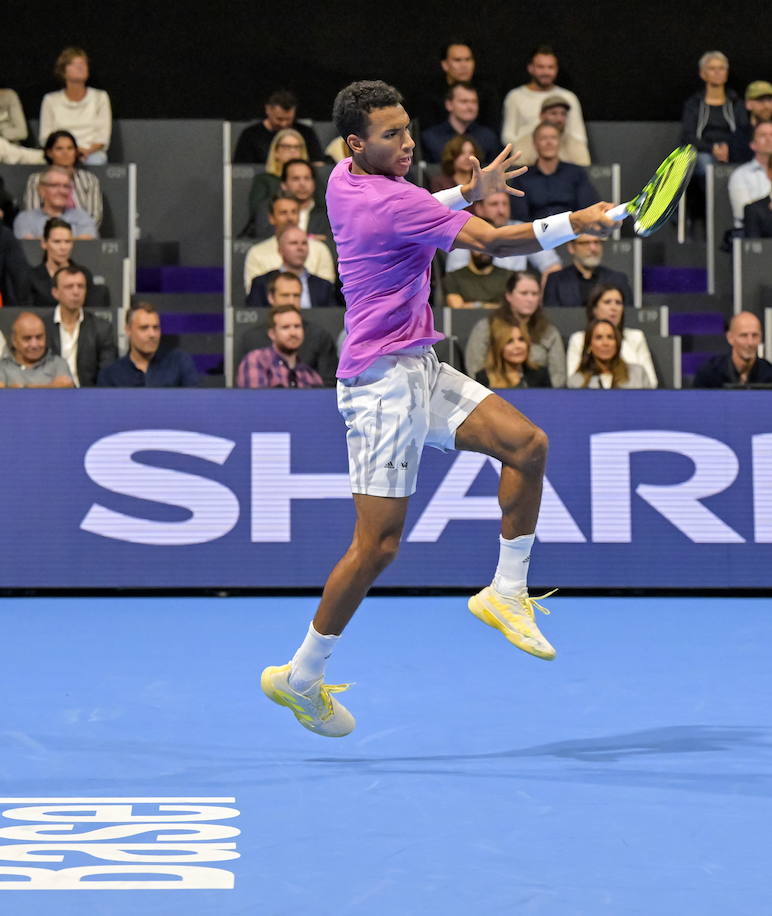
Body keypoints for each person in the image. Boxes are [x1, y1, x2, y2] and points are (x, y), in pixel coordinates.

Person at [260, 80, 618, 738]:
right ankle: (301, 676)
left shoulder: (342, 179)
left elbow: (423, 207)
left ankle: (506, 592)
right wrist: (580, 222)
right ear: (357, 142)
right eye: (390, 136)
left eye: (406, 130)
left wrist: (466, 191)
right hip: (380, 388)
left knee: (527, 445)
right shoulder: (394, 203)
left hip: (418, 367)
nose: (404, 145)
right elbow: (500, 244)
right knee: (378, 547)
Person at [465, 270, 565, 386]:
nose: (530, 299)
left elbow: (558, 376)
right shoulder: (486, 327)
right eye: (524, 293)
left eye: (535, 294)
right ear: (509, 295)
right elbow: (474, 369)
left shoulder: (549, 331)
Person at [500, 45, 589, 160]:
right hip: (527, 154)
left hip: (563, 154)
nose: (546, 72)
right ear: (530, 68)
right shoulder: (515, 97)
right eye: (541, 67)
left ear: (556, 69)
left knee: (578, 147)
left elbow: (579, 135)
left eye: (550, 67)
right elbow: (508, 136)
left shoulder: (569, 97)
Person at [445, 191, 561, 276]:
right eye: (494, 204)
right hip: (479, 298)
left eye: (505, 204)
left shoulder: (522, 229)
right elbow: (455, 273)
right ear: (479, 209)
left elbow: (552, 265)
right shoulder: (466, 230)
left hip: (516, 301)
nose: (501, 210)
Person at [563, 283, 657, 387]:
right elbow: (574, 383)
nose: (614, 308)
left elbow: (650, 382)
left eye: (618, 303)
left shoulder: (636, 337)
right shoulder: (578, 339)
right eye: (607, 302)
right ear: (594, 309)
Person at [96, 301, 200, 387]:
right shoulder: (110, 375)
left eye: (156, 328)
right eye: (144, 328)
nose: (152, 334)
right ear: (128, 330)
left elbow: (194, 404)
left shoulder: (179, 363)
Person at [508, 123, 598, 221]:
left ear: (559, 142)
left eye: (553, 138)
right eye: (543, 138)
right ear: (535, 143)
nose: (549, 142)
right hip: (535, 232)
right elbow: (520, 216)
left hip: (571, 229)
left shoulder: (576, 173)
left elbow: (587, 208)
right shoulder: (522, 177)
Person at [243, 197, 336, 291]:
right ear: (271, 218)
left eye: (294, 212)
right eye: (283, 213)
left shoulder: (320, 249)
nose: (289, 218)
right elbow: (255, 294)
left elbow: (327, 292)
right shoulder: (257, 253)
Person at [40, 48, 112, 166]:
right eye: (74, 64)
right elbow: (45, 137)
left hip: (90, 154)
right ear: (63, 71)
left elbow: (102, 138)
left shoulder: (100, 97)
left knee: (97, 160)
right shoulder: (50, 100)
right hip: (60, 152)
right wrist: (67, 150)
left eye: (83, 64)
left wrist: (84, 151)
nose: (80, 67)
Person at [46, 265, 116, 386]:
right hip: (50, 395)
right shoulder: (42, 327)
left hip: (89, 397)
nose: (76, 292)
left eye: (81, 286)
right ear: (55, 292)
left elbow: (107, 373)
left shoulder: (102, 328)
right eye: (69, 287)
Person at [680, 51, 749, 172]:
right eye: (712, 68)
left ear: (726, 73)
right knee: (706, 164)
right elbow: (688, 136)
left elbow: (744, 131)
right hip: (703, 151)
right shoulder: (694, 104)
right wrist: (713, 148)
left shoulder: (736, 103)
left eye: (721, 68)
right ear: (703, 74)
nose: (717, 72)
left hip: (732, 150)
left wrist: (729, 149)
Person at [22, 130, 103, 227]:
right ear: (49, 153)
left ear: (76, 152)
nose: (65, 153)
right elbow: (32, 214)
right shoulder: (36, 180)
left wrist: (76, 234)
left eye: (70, 148)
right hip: (46, 235)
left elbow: (95, 216)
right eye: (59, 149)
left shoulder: (90, 180)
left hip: (82, 236)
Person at [246, 227, 341, 309]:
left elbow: (331, 319)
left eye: (304, 243)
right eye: (293, 243)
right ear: (280, 250)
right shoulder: (261, 284)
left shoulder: (324, 286)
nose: (300, 248)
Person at [235, 303, 325, 388]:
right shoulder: (257, 360)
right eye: (285, 327)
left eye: (297, 326)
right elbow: (255, 401)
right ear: (272, 334)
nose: (293, 333)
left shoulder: (310, 375)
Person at [232, 89, 326, 165]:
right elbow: (241, 169)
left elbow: (318, 163)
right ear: (268, 110)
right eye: (279, 119)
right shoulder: (250, 135)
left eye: (288, 119)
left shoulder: (306, 133)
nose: (284, 124)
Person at [246, 130, 312, 235]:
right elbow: (259, 215)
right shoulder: (264, 180)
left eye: (297, 147)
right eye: (286, 147)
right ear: (276, 152)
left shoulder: (314, 178)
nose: (292, 151)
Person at [692, 311, 772, 387]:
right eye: (743, 336)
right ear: (730, 338)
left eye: (755, 335)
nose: (750, 342)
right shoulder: (709, 374)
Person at [0, 311, 75, 387]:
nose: (34, 345)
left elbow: (65, 391)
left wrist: (20, 388)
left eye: (39, 337)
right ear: (14, 341)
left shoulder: (58, 364)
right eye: (27, 338)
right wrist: (52, 386)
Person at [542, 234, 631, 309]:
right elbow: (551, 315)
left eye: (597, 242)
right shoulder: (555, 280)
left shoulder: (618, 280)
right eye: (585, 243)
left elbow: (629, 316)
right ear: (571, 247)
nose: (593, 248)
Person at [420, 82, 500, 164]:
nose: (470, 107)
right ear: (449, 105)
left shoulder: (488, 137)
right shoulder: (430, 137)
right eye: (464, 101)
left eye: (474, 102)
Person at [26, 218, 96, 309]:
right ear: (44, 243)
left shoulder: (83, 275)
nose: (63, 247)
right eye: (57, 242)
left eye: (67, 241)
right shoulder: (32, 277)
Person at [13, 166, 98, 239]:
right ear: (41, 190)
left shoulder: (82, 217)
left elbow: (86, 243)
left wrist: (43, 238)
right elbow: (30, 245)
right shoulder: (25, 219)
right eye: (55, 185)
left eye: (66, 186)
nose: (62, 191)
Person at [567, 318, 653, 389]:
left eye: (610, 337)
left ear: (617, 344)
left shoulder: (638, 374)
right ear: (589, 345)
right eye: (599, 338)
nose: (605, 343)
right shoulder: (576, 381)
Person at [511, 94, 591, 168]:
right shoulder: (523, 143)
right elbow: (516, 175)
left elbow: (585, 173)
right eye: (553, 113)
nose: (559, 119)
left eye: (563, 114)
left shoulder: (576, 144)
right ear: (541, 115)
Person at [475, 319, 551, 388]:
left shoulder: (540, 375)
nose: (518, 346)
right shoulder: (484, 378)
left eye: (521, 339)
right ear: (497, 347)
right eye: (509, 341)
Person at [279, 160, 331, 238]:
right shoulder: (273, 212)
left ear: (314, 183)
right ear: (284, 185)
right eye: (295, 179)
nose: (302, 184)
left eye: (307, 178)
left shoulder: (329, 215)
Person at [444, 251, 512, 309]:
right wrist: (484, 305)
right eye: (480, 248)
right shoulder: (454, 277)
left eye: (489, 247)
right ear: (470, 248)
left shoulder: (509, 276)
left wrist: (472, 305)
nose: (485, 251)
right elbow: (457, 307)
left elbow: (514, 306)